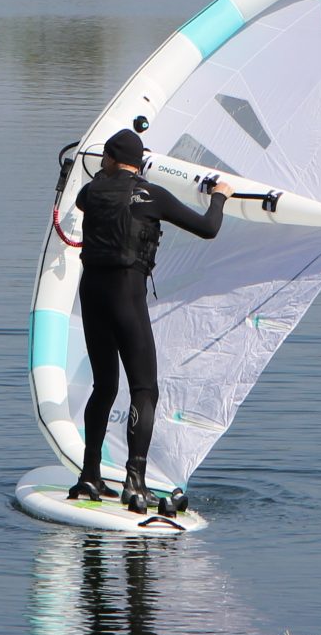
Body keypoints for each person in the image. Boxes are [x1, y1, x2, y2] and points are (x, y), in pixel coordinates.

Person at [69, 127, 229, 512]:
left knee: (104, 386)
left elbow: (92, 192)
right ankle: (134, 482)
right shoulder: (153, 195)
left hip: (91, 294)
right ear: (139, 163)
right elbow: (208, 228)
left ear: (109, 159)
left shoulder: (89, 193)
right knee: (144, 389)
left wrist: (108, 172)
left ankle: (90, 475)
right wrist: (219, 196)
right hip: (126, 295)